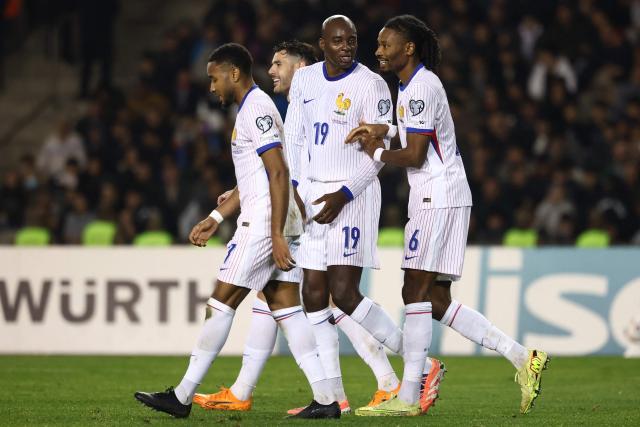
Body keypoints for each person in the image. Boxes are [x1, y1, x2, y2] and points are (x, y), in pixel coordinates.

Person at [345, 15, 549, 416]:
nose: (378, 51)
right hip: (448, 194)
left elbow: (416, 154)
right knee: (436, 300)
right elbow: (419, 135)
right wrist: (383, 129)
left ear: (409, 48)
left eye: (386, 45)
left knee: (413, 292)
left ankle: (407, 398)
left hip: (435, 197)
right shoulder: (412, 85)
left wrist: (377, 151)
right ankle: (523, 357)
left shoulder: (419, 88)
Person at [194, 40, 405, 414]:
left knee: (325, 299)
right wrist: (229, 204)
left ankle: (384, 378)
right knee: (280, 297)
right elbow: (274, 169)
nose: (272, 70)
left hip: (310, 209)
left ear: (303, 67)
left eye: (279, 63)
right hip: (298, 210)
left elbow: (282, 171)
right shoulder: (292, 109)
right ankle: (254, 390)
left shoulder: (308, 105)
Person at [133, 43, 340, 419]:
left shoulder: (256, 109)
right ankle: (326, 399)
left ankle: (181, 396)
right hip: (274, 218)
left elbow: (278, 172)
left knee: (221, 300)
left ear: (234, 74)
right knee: (286, 307)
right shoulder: (253, 109)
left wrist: (276, 234)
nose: (212, 87)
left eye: (214, 78)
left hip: (264, 223)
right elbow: (255, 177)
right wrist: (216, 215)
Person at [285, 15, 445, 415]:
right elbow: (295, 137)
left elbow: (373, 157)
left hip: (352, 195)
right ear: (322, 43)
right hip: (312, 193)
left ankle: (420, 365)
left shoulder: (373, 85)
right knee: (313, 295)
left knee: (344, 292)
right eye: (338, 41)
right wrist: (298, 192)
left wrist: (343, 194)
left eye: (352, 41)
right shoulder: (304, 81)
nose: (347, 47)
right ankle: (330, 399)